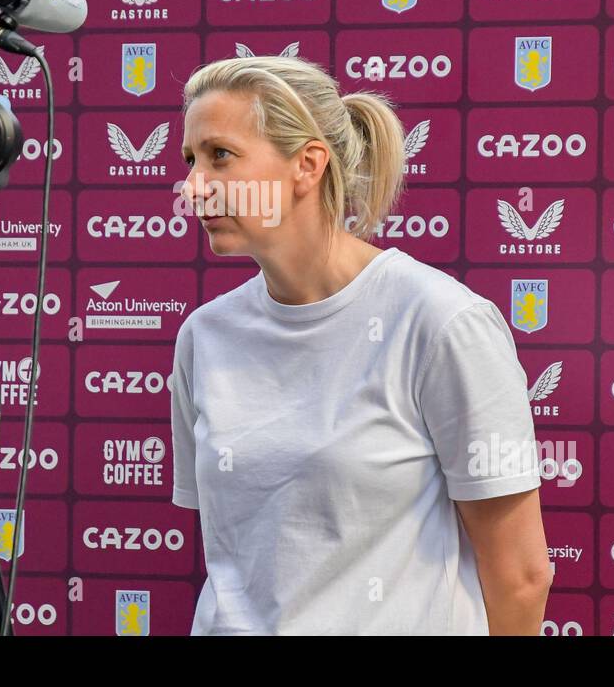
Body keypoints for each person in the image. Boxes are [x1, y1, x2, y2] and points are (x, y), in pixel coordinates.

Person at [170, 55, 551, 635]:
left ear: (307, 164)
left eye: (220, 156)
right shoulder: (205, 335)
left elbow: (521, 577)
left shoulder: (441, 322)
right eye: (190, 161)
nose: (194, 188)